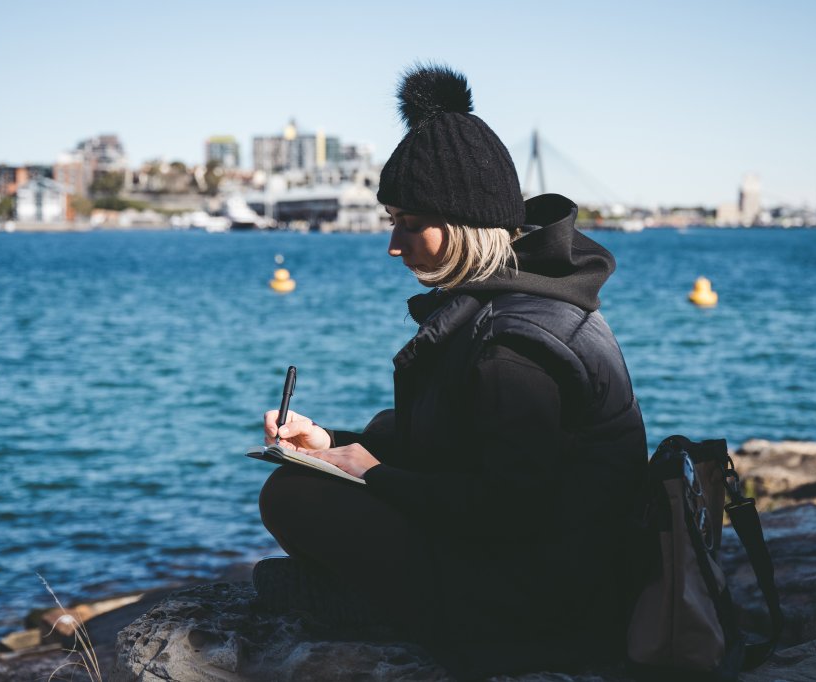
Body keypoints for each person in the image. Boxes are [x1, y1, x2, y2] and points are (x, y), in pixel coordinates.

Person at [256, 64, 649, 679]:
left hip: (548, 600)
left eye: (410, 224)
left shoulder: (513, 343)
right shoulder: (505, 307)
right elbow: (458, 442)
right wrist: (334, 443)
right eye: (392, 221)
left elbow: (511, 513)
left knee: (292, 498)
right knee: (306, 483)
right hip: (552, 567)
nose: (393, 244)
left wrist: (375, 473)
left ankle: (394, 613)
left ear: (465, 225)